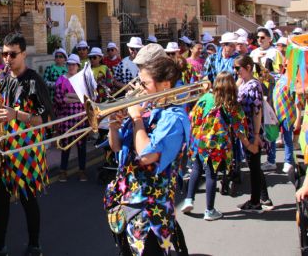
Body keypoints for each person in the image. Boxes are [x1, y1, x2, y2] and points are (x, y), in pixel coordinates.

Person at [105, 56, 190, 255]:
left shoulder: (174, 118)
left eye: (145, 83)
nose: (139, 89)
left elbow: (146, 156)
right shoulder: (148, 110)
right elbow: (116, 148)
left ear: (165, 85)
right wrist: (113, 125)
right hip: (127, 205)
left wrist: (136, 119)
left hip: (152, 214)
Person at [0, 33, 53, 256]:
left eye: (12, 54)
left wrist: (16, 114)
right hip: (5, 148)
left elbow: (46, 119)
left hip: (26, 151)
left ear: (24, 54)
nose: (7, 58)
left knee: (28, 200)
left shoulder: (33, 81)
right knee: (1, 201)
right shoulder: (2, 78)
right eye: (4, 54)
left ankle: (35, 245)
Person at [181, 72, 253, 220]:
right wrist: (248, 144)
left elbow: (192, 117)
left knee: (196, 168)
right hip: (217, 145)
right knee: (211, 175)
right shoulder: (232, 103)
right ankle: (209, 210)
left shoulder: (206, 98)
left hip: (200, 141)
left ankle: (188, 199)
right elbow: (239, 128)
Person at [234, 55, 273, 212]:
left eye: (238, 68)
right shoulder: (244, 82)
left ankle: (255, 201)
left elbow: (257, 112)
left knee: (254, 166)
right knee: (254, 165)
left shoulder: (253, 86)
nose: (236, 71)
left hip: (252, 131)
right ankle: (264, 197)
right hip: (247, 130)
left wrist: (256, 135)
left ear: (248, 68)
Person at [54, 54, 87, 182]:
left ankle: (82, 171)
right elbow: (59, 99)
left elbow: (86, 98)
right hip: (66, 118)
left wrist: (69, 96)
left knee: (81, 147)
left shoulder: (83, 79)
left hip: (81, 118)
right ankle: (63, 171)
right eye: (69, 64)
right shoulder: (61, 79)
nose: (71, 66)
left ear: (78, 66)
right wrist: (76, 97)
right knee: (65, 145)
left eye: (74, 64)